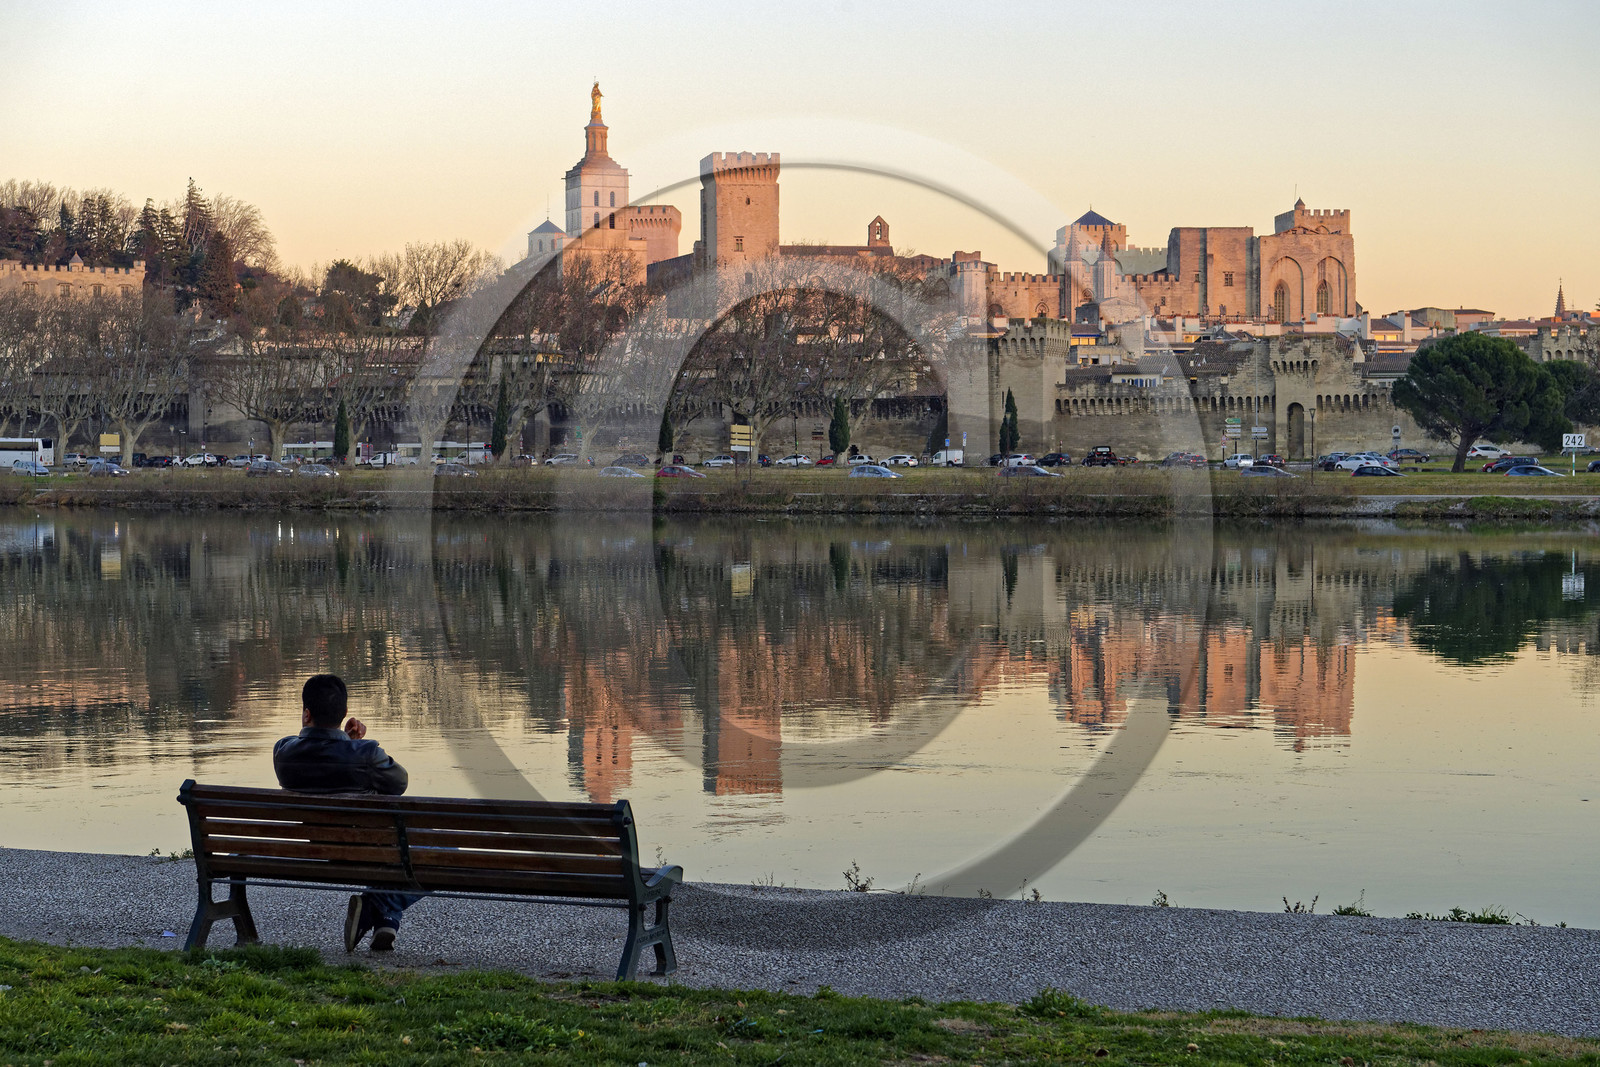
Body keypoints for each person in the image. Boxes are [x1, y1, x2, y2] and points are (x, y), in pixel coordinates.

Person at [273, 673, 417, 952]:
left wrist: (344, 742)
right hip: (367, 847)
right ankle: (378, 904)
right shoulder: (366, 754)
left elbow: (311, 749)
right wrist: (352, 744)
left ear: (306, 714)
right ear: (344, 713)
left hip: (316, 849)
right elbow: (399, 783)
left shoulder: (283, 753)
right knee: (436, 850)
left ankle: (387, 921)